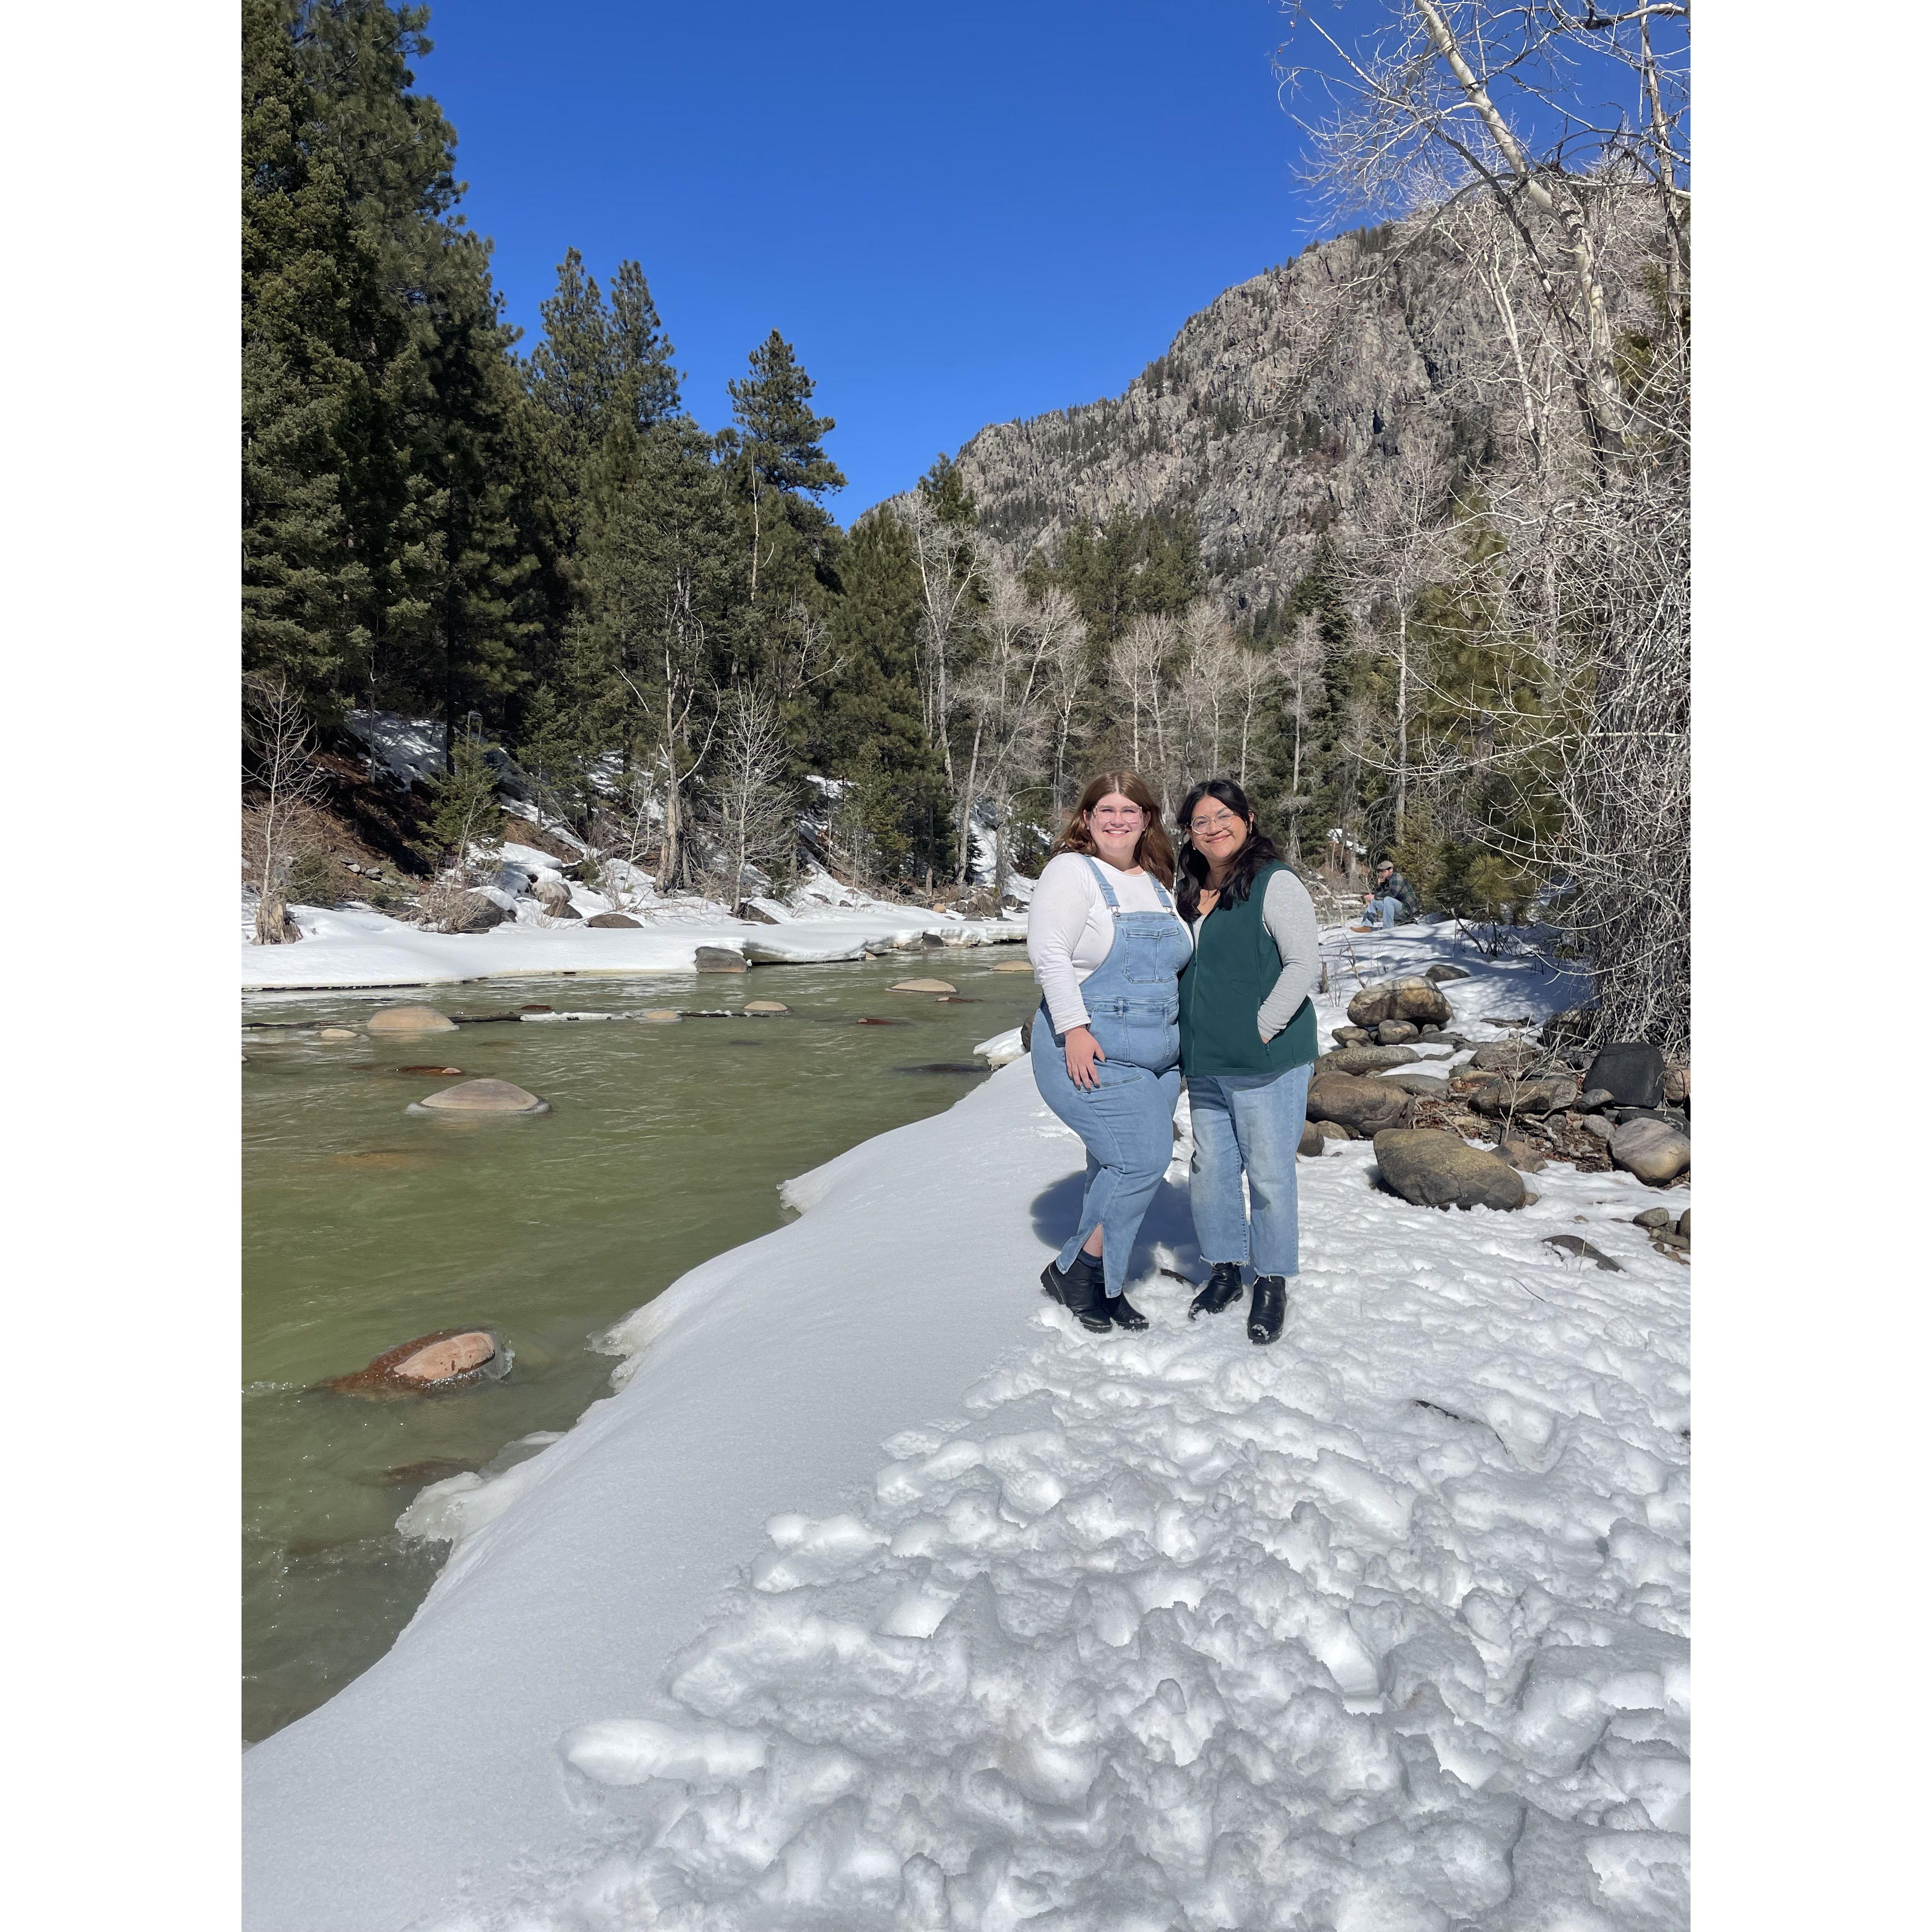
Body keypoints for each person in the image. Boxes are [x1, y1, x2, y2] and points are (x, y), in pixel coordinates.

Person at [1026, 771, 1193, 1333]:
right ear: (1087, 818)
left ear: (1147, 819)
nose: (1118, 820)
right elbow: (1049, 954)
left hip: (1159, 1059)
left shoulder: (1158, 883)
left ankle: (1108, 1283)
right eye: (1107, 810)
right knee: (1141, 1161)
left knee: (1112, 1168)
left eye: (1131, 810)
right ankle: (1075, 1268)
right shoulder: (1071, 872)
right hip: (1090, 1050)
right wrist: (1073, 1026)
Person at [1174, 779, 1322, 1346]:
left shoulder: (1274, 882)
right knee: (1211, 1168)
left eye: (1223, 817)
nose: (1213, 829)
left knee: (1268, 1172)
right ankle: (1225, 1269)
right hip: (1207, 1059)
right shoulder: (1188, 890)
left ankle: (1272, 1280)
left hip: (1266, 1061)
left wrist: (1261, 1028)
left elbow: (1302, 963)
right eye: (1200, 822)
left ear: (1249, 818)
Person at [1350, 857, 1421, 932]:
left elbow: (1392, 894)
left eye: (1383, 871)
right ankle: (1367, 926)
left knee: (1388, 900)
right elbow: (1379, 895)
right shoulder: (1387, 881)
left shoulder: (1396, 877)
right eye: (1380, 872)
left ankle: (1387, 929)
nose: (1381, 874)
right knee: (1374, 901)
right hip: (1398, 909)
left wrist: (1375, 896)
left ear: (1391, 870)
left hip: (1408, 911)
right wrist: (1380, 885)